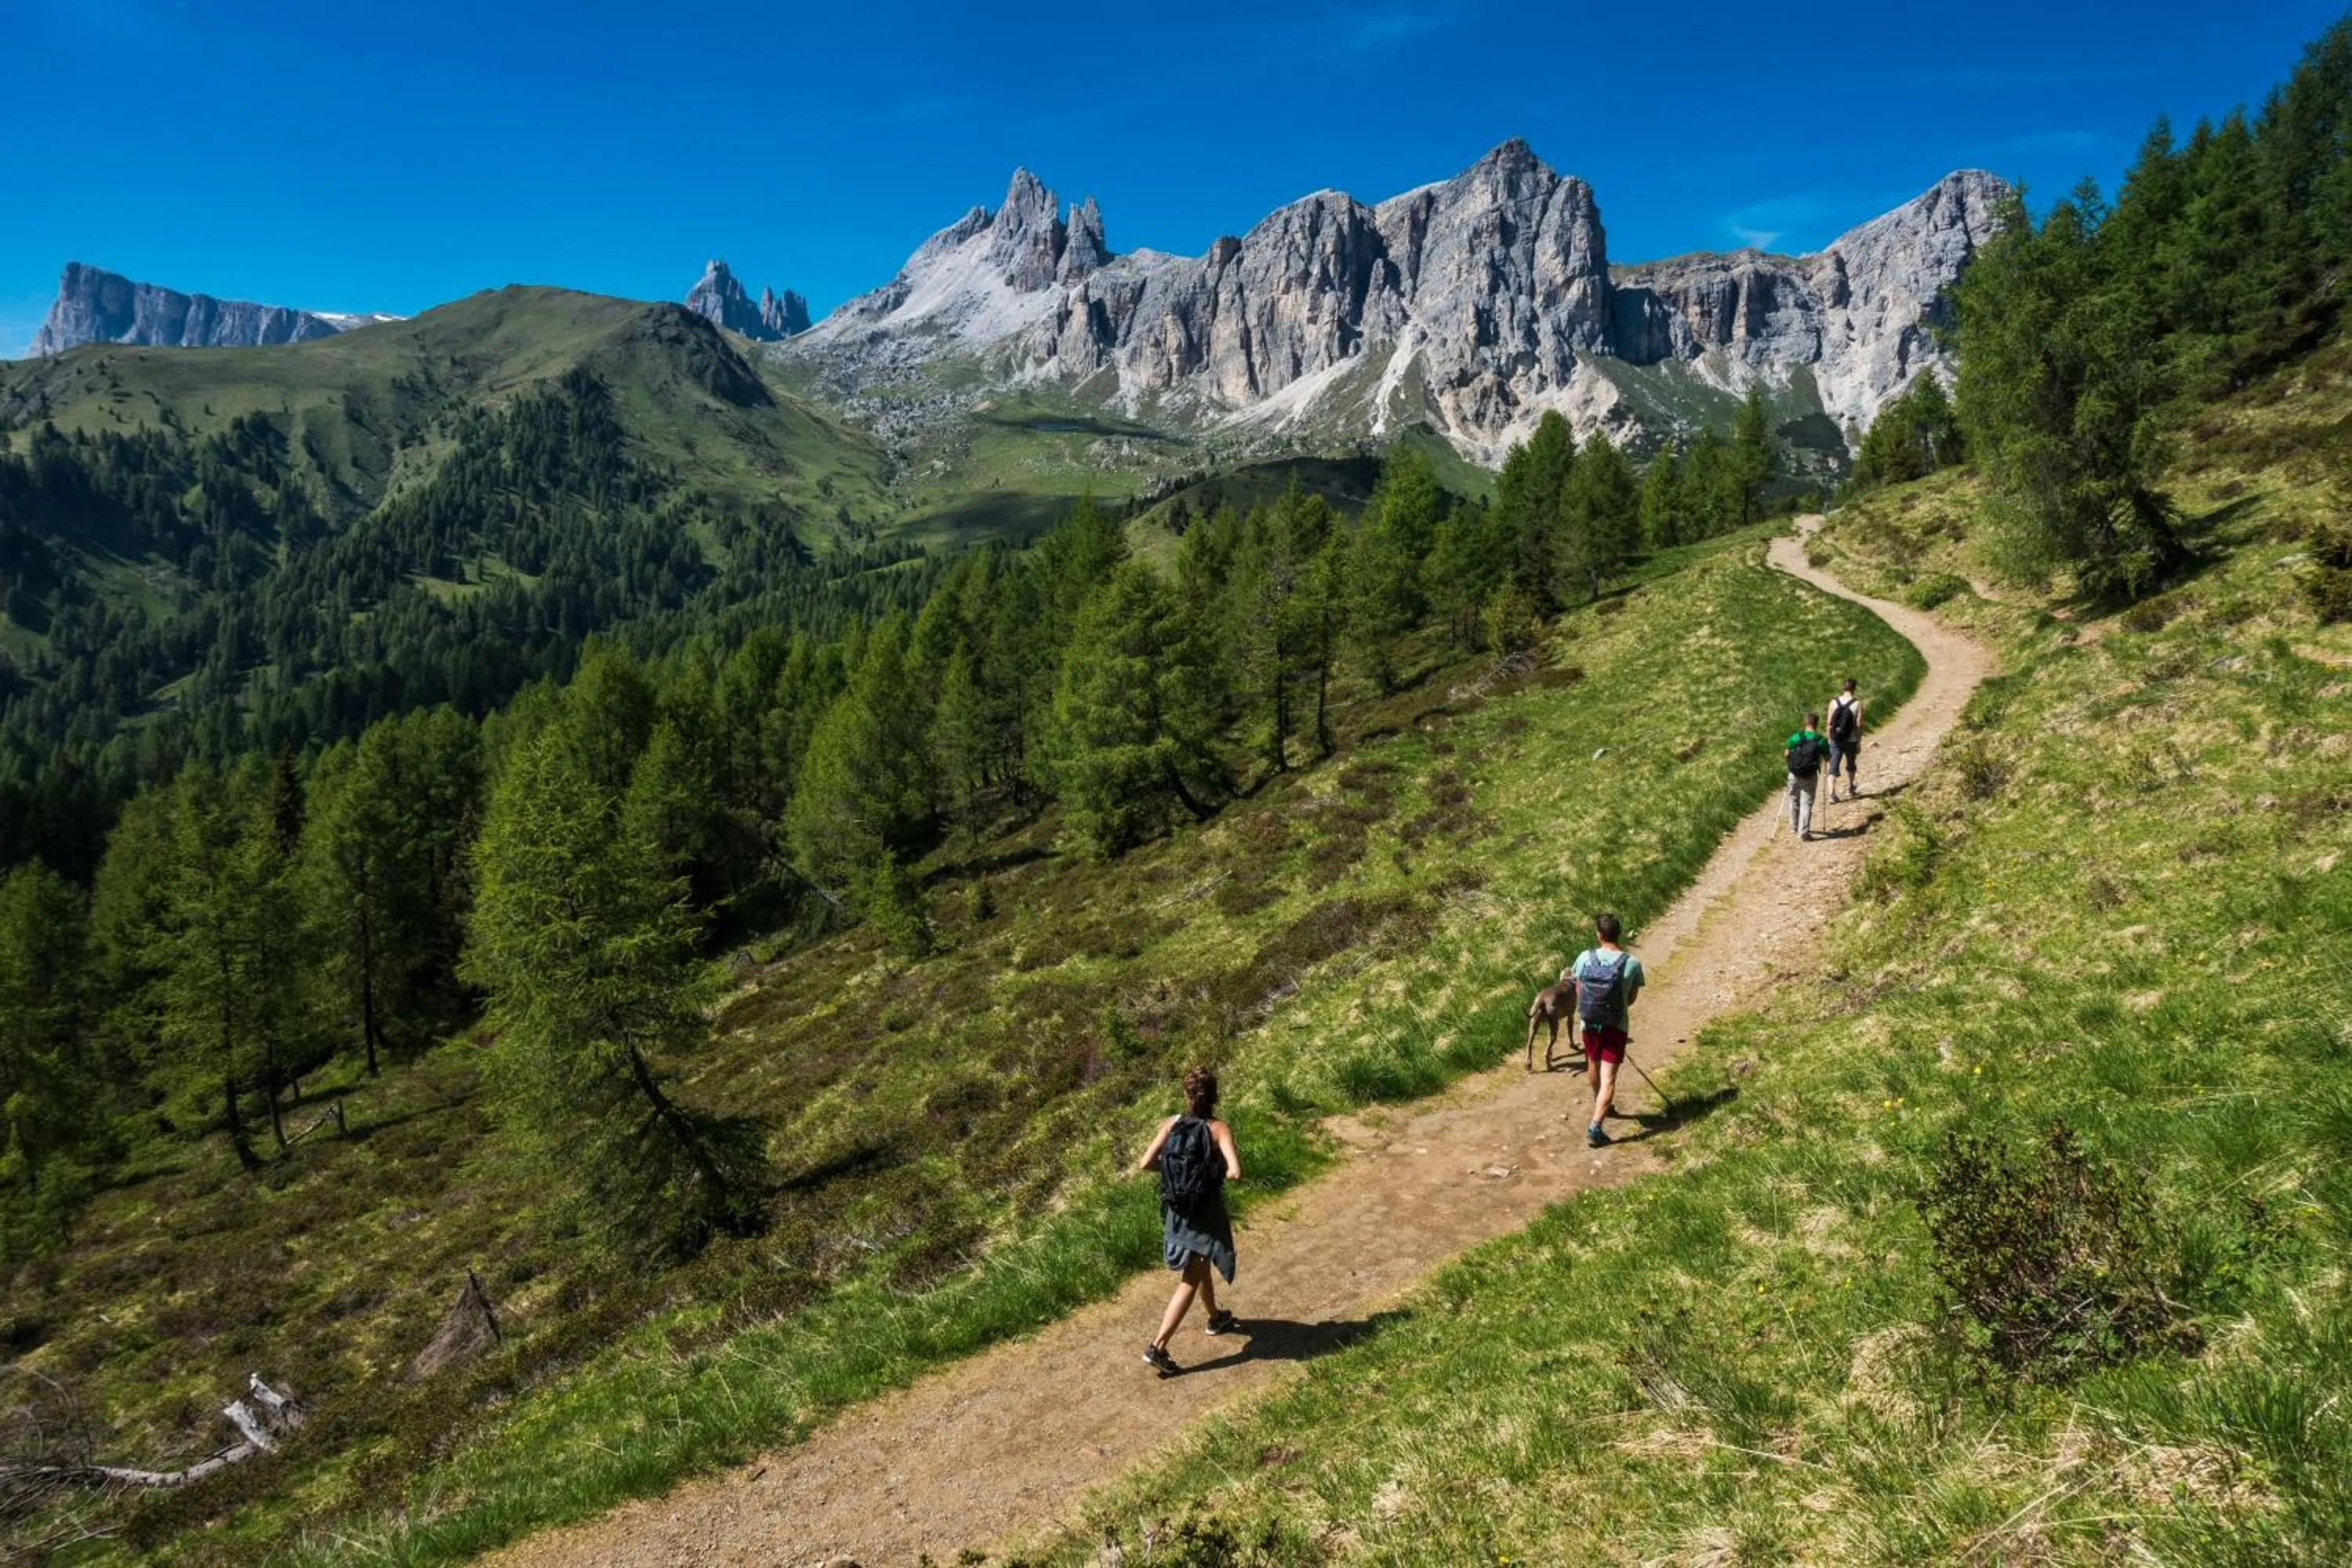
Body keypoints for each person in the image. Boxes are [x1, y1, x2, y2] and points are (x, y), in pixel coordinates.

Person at [1134, 1067, 1242, 1374]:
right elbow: (1235, 1172)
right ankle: (1157, 1347)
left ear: (1187, 1095)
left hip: (1176, 1210)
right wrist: (1211, 1171)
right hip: (1203, 1213)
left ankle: (1215, 1317)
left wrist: (1175, 1173)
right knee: (1191, 1278)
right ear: (1215, 1096)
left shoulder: (1172, 1124)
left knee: (1200, 1263)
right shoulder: (1218, 1128)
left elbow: (1145, 1163)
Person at [1566, 912, 1646, 1148]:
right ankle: (1595, 1127)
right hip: (1616, 1026)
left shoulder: (1584, 957)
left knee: (1593, 1062)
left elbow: (1579, 990)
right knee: (1609, 1078)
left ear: (1599, 935)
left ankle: (1599, 1101)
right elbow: (1631, 998)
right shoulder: (1632, 963)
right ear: (1618, 934)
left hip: (1589, 1023)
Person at [1785, 712, 1831, 840]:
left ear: (1806, 722)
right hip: (1810, 775)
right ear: (1816, 723)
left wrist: (1791, 764)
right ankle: (1803, 833)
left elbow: (1787, 753)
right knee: (1806, 803)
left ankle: (1794, 827)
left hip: (1794, 773)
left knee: (1793, 799)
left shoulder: (1795, 737)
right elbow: (1828, 757)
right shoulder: (1820, 740)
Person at [1827, 678, 1864, 800]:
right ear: (1854, 689)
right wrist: (1858, 742)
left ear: (1843, 688)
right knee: (1851, 764)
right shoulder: (1857, 703)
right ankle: (1850, 788)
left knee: (1833, 766)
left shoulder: (1833, 702)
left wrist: (1830, 739)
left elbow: (1829, 723)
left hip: (1836, 739)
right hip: (1851, 739)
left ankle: (1831, 794)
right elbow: (1859, 724)